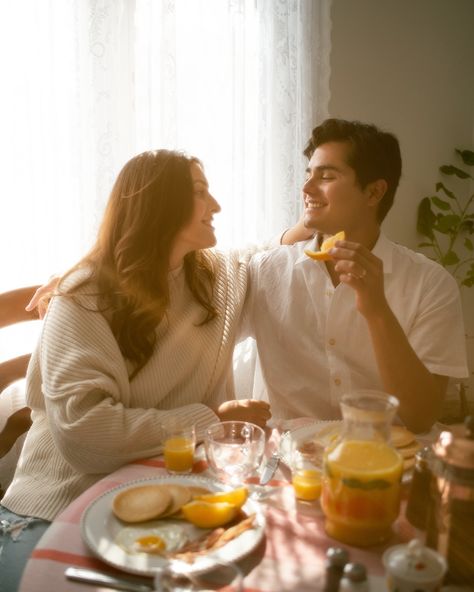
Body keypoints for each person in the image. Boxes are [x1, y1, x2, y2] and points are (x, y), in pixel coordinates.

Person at [0, 149, 306, 590]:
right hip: (52, 507)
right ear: (159, 205)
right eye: (201, 193)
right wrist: (210, 421)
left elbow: (277, 245)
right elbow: (85, 435)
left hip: (161, 504)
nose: (216, 206)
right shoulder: (83, 297)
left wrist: (321, 213)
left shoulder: (214, 275)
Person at [242, 118, 468, 432]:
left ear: (374, 192)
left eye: (326, 176)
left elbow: (421, 418)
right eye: (309, 175)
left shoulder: (431, 284)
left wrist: (377, 311)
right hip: (290, 466)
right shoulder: (266, 271)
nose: (306, 189)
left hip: (388, 461)